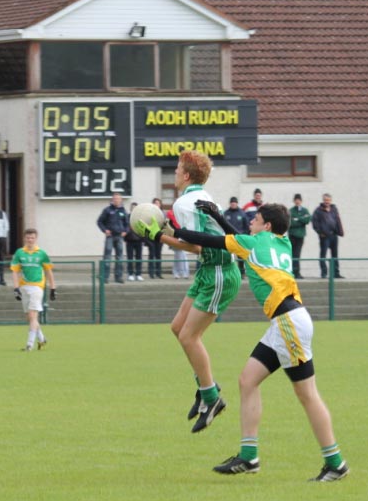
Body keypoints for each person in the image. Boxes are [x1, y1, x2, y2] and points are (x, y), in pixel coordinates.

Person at [146, 201, 348, 482]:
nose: (250, 220)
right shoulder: (282, 242)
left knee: (307, 395)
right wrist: (217, 215)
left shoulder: (252, 243)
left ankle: (335, 463)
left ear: (266, 225)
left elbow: (211, 240)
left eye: (255, 218)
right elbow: (237, 239)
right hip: (289, 322)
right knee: (247, 381)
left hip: (288, 325)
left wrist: (162, 235)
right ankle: (248, 456)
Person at [134, 150, 241, 433]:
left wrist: (159, 236)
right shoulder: (203, 198)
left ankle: (212, 397)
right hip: (208, 270)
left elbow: (197, 246)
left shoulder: (185, 202)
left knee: (189, 336)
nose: (175, 173)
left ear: (187, 175)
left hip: (219, 271)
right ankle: (205, 387)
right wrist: (168, 230)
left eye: (178, 168)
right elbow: (195, 236)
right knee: (177, 327)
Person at [10, 228, 56, 351]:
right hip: (24, 286)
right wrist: (16, 288)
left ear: (36, 239)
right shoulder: (19, 253)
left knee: (32, 315)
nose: (30, 240)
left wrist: (52, 288)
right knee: (30, 318)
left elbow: (48, 271)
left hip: (37, 287)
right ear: (25, 238)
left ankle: (29, 345)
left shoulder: (41, 253)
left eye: (32, 238)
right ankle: (41, 339)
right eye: (28, 237)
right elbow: (14, 271)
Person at [97, 192, 128, 284]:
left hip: (119, 237)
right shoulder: (107, 210)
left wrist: (125, 231)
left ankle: (118, 277)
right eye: (115, 199)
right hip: (110, 236)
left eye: (118, 199)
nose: (117, 200)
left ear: (121, 200)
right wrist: (105, 230)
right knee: (107, 257)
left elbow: (127, 224)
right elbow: (99, 222)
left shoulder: (123, 211)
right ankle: (104, 277)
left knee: (120, 258)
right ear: (112, 200)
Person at [312, 193, 344, 279]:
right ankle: (324, 273)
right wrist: (320, 233)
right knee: (323, 255)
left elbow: (338, 220)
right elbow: (315, 223)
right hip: (324, 236)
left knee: (335, 255)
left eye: (328, 200)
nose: (327, 202)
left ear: (331, 201)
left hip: (334, 235)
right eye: (325, 200)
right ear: (323, 200)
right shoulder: (318, 210)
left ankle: (336, 273)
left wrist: (340, 231)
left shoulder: (334, 209)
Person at [224, 197, 249, 277]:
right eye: (232, 203)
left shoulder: (242, 213)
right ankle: (228, 273)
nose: (233, 204)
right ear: (230, 204)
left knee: (241, 257)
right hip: (228, 238)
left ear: (237, 203)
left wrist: (244, 236)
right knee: (228, 256)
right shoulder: (226, 213)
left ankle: (242, 273)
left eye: (234, 203)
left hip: (239, 239)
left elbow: (246, 226)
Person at [288, 193, 311, 279]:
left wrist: (298, 219)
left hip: (300, 236)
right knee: (292, 254)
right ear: (294, 201)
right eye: (296, 200)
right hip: (292, 235)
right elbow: (290, 222)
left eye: (299, 200)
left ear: (301, 201)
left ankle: (297, 272)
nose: (297, 201)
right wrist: (301, 219)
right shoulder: (290, 211)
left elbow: (308, 219)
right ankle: (292, 272)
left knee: (297, 254)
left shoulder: (305, 210)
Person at [166, 210, 189, 279]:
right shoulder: (170, 215)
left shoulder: (183, 216)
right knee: (178, 256)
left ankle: (183, 273)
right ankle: (179, 273)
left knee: (182, 256)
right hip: (175, 238)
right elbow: (169, 228)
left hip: (183, 237)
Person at [125, 202, 144, 281]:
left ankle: (138, 274)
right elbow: (125, 228)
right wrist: (125, 238)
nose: (134, 209)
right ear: (130, 209)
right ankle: (130, 274)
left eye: (135, 208)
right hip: (129, 240)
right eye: (132, 208)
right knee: (130, 258)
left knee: (139, 257)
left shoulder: (141, 218)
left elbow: (143, 229)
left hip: (139, 240)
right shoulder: (127, 217)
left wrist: (143, 238)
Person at [146, 198, 164, 279]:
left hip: (159, 237)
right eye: (155, 203)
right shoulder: (149, 214)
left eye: (158, 203)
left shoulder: (162, 214)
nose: (156, 204)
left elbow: (165, 226)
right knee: (151, 255)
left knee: (158, 255)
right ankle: (151, 273)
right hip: (151, 237)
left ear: (160, 205)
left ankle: (158, 272)